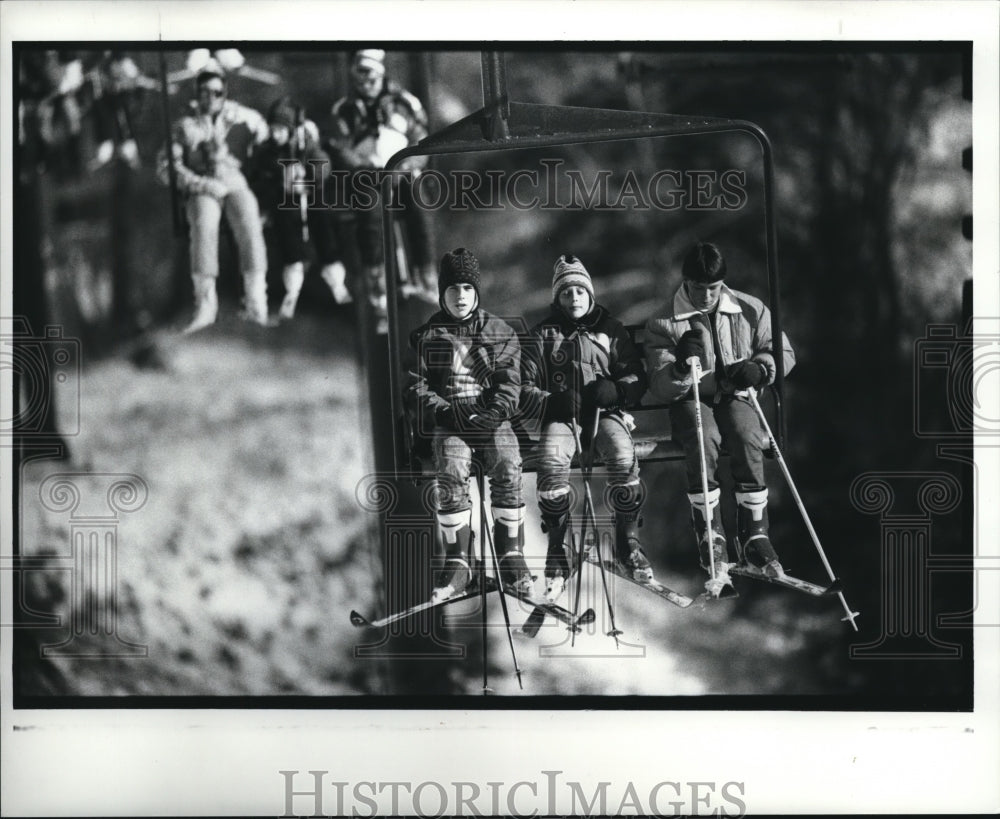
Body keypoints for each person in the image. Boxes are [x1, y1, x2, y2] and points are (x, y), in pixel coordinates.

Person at [645, 241, 796, 592]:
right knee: (704, 438)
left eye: (713, 288)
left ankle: (754, 535)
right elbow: (659, 384)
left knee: (746, 435)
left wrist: (761, 369)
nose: (707, 296)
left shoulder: (748, 308)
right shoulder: (664, 321)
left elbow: (782, 351)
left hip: (736, 395)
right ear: (686, 283)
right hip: (693, 398)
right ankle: (710, 535)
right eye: (699, 288)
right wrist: (681, 365)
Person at [521, 254, 650, 600]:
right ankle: (557, 550)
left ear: (590, 294)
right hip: (563, 418)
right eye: (566, 293)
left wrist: (618, 390)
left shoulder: (611, 329)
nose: (574, 298)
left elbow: (635, 374)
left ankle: (627, 544)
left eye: (580, 291)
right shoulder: (544, 334)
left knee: (623, 455)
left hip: (604, 415)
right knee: (550, 461)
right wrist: (553, 401)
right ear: (557, 298)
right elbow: (522, 386)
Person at [406, 247, 530, 603]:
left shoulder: (498, 331)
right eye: (452, 290)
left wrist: (493, 413)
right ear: (442, 294)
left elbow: (510, 381)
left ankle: (511, 552)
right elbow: (416, 384)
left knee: (507, 459)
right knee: (451, 463)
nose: (460, 297)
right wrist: (444, 413)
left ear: (477, 293)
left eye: (467, 289)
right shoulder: (428, 336)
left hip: (490, 416)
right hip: (451, 419)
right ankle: (459, 558)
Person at [157, 58, 270, 333]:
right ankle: (206, 302)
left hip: (232, 180)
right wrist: (199, 184)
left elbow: (261, 127)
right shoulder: (186, 126)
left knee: (249, 219)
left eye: (217, 93)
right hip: (203, 183)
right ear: (197, 95)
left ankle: (256, 297)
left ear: (224, 95)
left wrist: (258, 140)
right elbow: (166, 168)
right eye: (205, 92)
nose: (211, 98)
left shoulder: (234, 114)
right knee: (204, 223)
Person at [329, 49, 437, 330]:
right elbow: (341, 148)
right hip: (367, 176)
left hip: (402, 171)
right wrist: (362, 168)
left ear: (381, 73)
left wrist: (409, 163)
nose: (367, 82)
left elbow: (421, 138)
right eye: (361, 76)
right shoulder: (344, 109)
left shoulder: (405, 102)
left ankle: (426, 273)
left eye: (372, 75)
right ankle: (377, 288)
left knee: (419, 205)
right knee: (370, 217)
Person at [250, 97, 351, 319]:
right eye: (272, 129)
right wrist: (280, 173)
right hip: (284, 203)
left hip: (311, 198)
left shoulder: (306, 145)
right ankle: (292, 286)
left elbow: (323, 163)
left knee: (322, 221)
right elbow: (260, 170)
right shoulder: (269, 150)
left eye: (280, 130)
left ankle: (335, 277)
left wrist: (310, 176)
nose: (275, 134)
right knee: (287, 231)